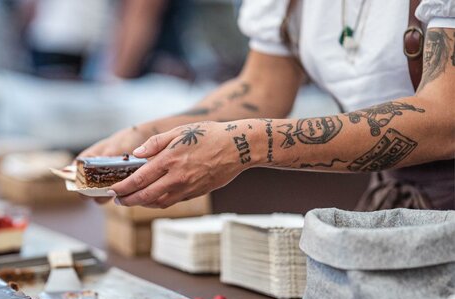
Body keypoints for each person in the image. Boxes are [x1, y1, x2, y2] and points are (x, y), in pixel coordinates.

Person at [79, 0, 455, 210]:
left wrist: (246, 145)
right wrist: (146, 135)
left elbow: (445, 118)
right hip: (394, 209)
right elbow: (261, 89)